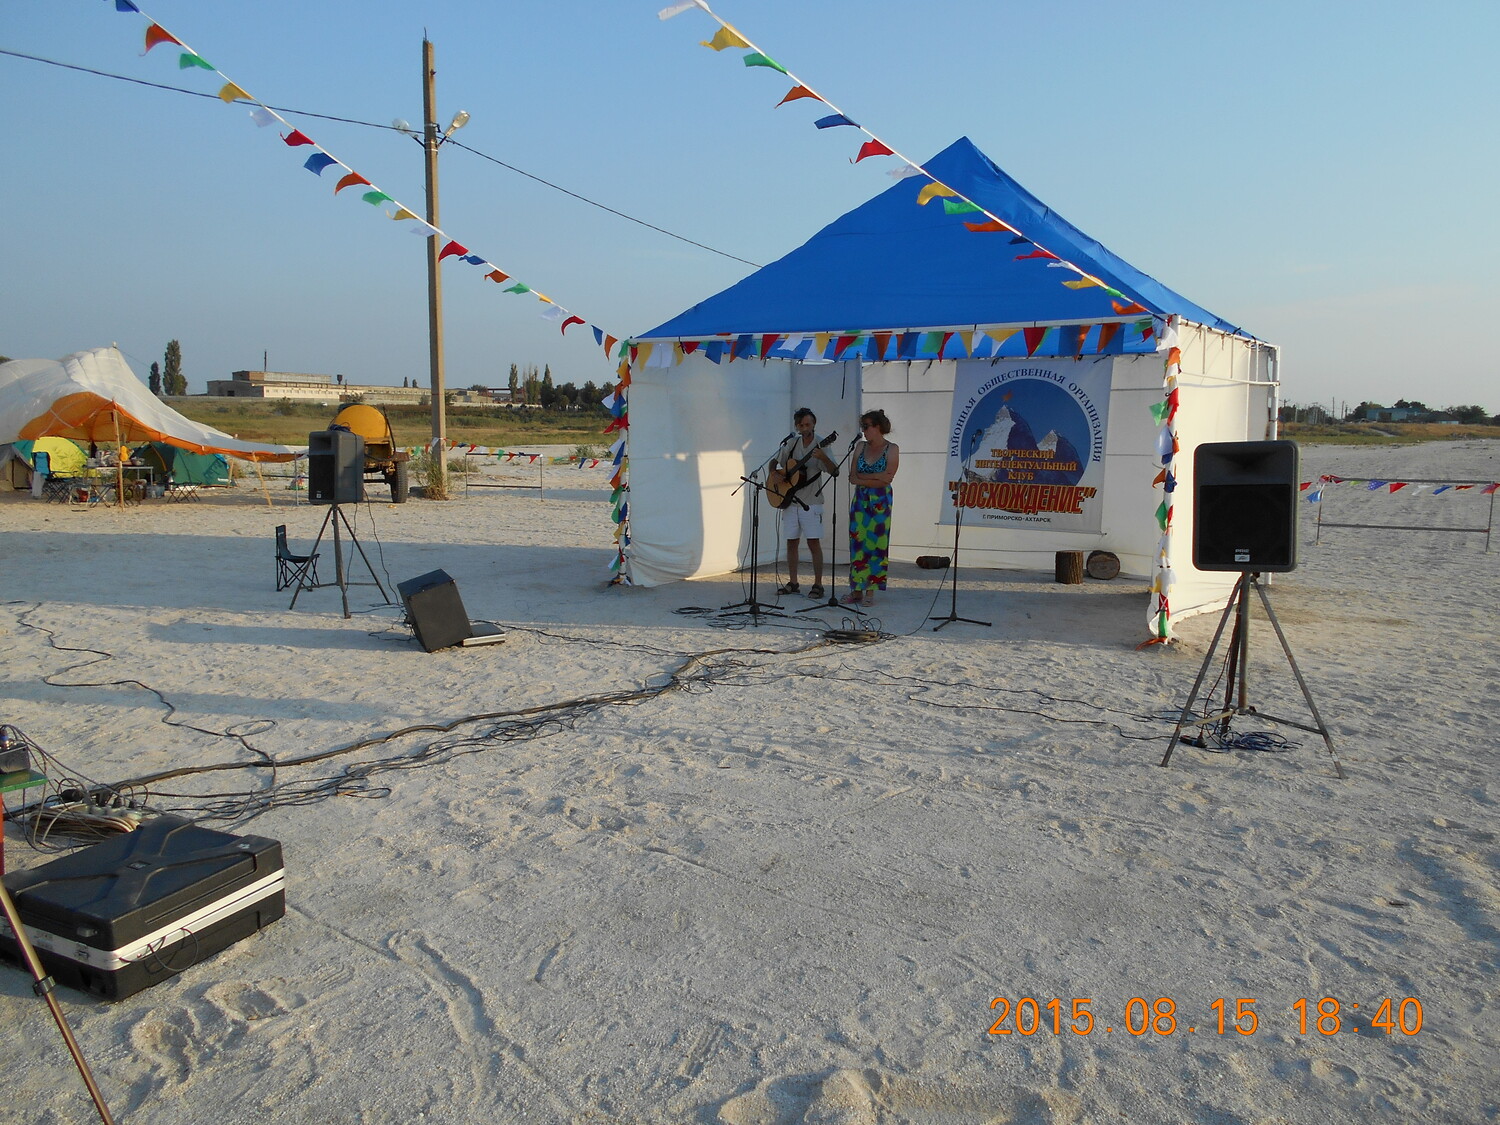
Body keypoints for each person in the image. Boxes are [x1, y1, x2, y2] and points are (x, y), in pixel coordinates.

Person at [772, 407, 839, 599]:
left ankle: (818, 584)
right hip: (790, 501)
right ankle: (793, 582)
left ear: (814, 424)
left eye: (808, 424)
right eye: (801, 425)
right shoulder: (792, 443)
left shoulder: (822, 444)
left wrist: (823, 457)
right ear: (797, 426)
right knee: (791, 542)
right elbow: (774, 461)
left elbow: (835, 471)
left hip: (811, 502)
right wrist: (774, 473)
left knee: (813, 543)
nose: (805, 428)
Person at [844, 409, 898, 607]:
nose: (864, 430)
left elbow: (887, 479)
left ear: (878, 427)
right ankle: (856, 589)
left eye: (867, 426)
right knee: (858, 543)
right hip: (861, 500)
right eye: (863, 426)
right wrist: (875, 476)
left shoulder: (892, 449)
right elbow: (852, 477)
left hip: (880, 501)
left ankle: (871, 590)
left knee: (876, 545)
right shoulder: (860, 446)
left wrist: (864, 478)